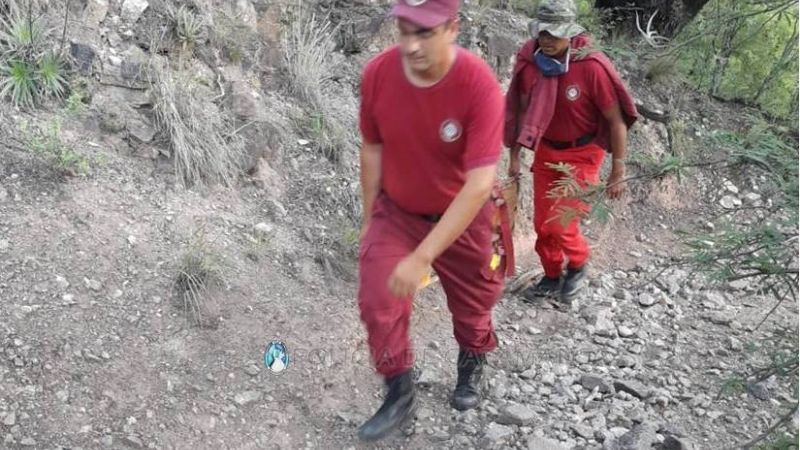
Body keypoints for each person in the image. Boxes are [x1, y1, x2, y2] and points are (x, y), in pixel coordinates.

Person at [356, 0, 510, 441]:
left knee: (476, 302)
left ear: (452, 28)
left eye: (424, 32)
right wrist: (371, 219)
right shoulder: (378, 75)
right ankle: (399, 390)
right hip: (399, 211)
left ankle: (472, 359)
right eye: (403, 30)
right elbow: (372, 147)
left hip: (465, 215)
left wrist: (423, 256)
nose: (411, 44)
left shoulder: (478, 84)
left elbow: (480, 184)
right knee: (377, 296)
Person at [504, 0, 638, 306]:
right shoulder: (531, 63)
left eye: (554, 33)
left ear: (570, 32)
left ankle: (578, 264)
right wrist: (514, 155)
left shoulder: (590, 67)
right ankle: (552, 275)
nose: (547, 40)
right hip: (546, 151)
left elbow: (616, 121)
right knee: (542, 224)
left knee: (559, 223)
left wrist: (618, 171)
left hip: (583, 154)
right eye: (542, 33)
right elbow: (521, 112)